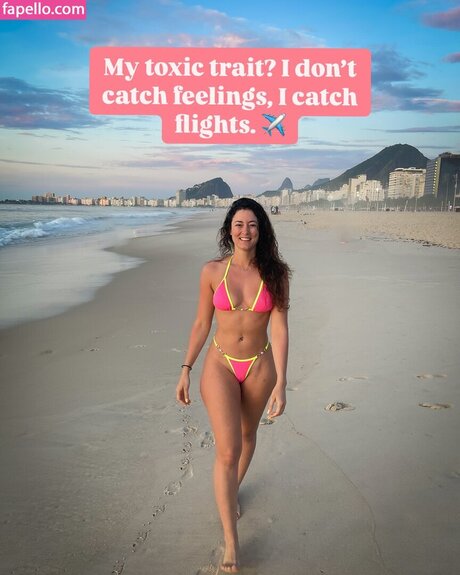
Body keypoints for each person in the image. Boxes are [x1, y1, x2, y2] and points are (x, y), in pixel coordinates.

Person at [176, 197, 291, 573]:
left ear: (261, 231)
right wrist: (186, 368)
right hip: (220, 364)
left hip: (259, 365)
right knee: (228, 451)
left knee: (247, 435)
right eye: (239, 224)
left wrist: (282, 381)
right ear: (229, 229)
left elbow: (280, 329)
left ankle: (231, 489)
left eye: (252, 224)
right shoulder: (212, 271)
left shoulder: (276, 274)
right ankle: (231, 539)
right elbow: (200, 323)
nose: (245, 231)